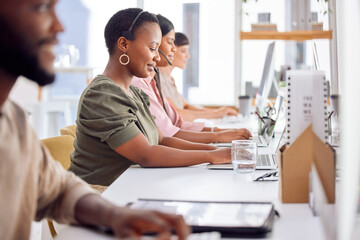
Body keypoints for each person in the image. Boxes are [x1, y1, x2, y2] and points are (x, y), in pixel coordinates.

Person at [0, 1, 189, 239]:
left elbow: (59, 191)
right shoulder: (103, 93)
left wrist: (115, 215)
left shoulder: (13, 121)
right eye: (41, 8)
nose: (60, 27)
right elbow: (147, 152)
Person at [69, 8, 232, 187]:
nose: (157, 56)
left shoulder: (134, 92)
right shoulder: (102, 95)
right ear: (123, 44)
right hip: (96, 197)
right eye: (153, 48)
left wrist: (216, 150)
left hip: (129, 190)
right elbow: (146, 154)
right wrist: (210, 156)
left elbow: (162, 139)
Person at [132, 15, 251, 142]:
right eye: (170, 42)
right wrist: (216, 138)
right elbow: (168, 135)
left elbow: (178, 122)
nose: (174, 48)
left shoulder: (153, 82)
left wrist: (218, 132)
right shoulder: (141, 83)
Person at [158, 32, 238, 121]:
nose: (187, 55)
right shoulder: (158, 78)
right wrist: (217, 113)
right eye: (183, 51)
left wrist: (219, 112)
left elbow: (186, 106)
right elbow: (177, 113)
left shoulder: (170, 79)